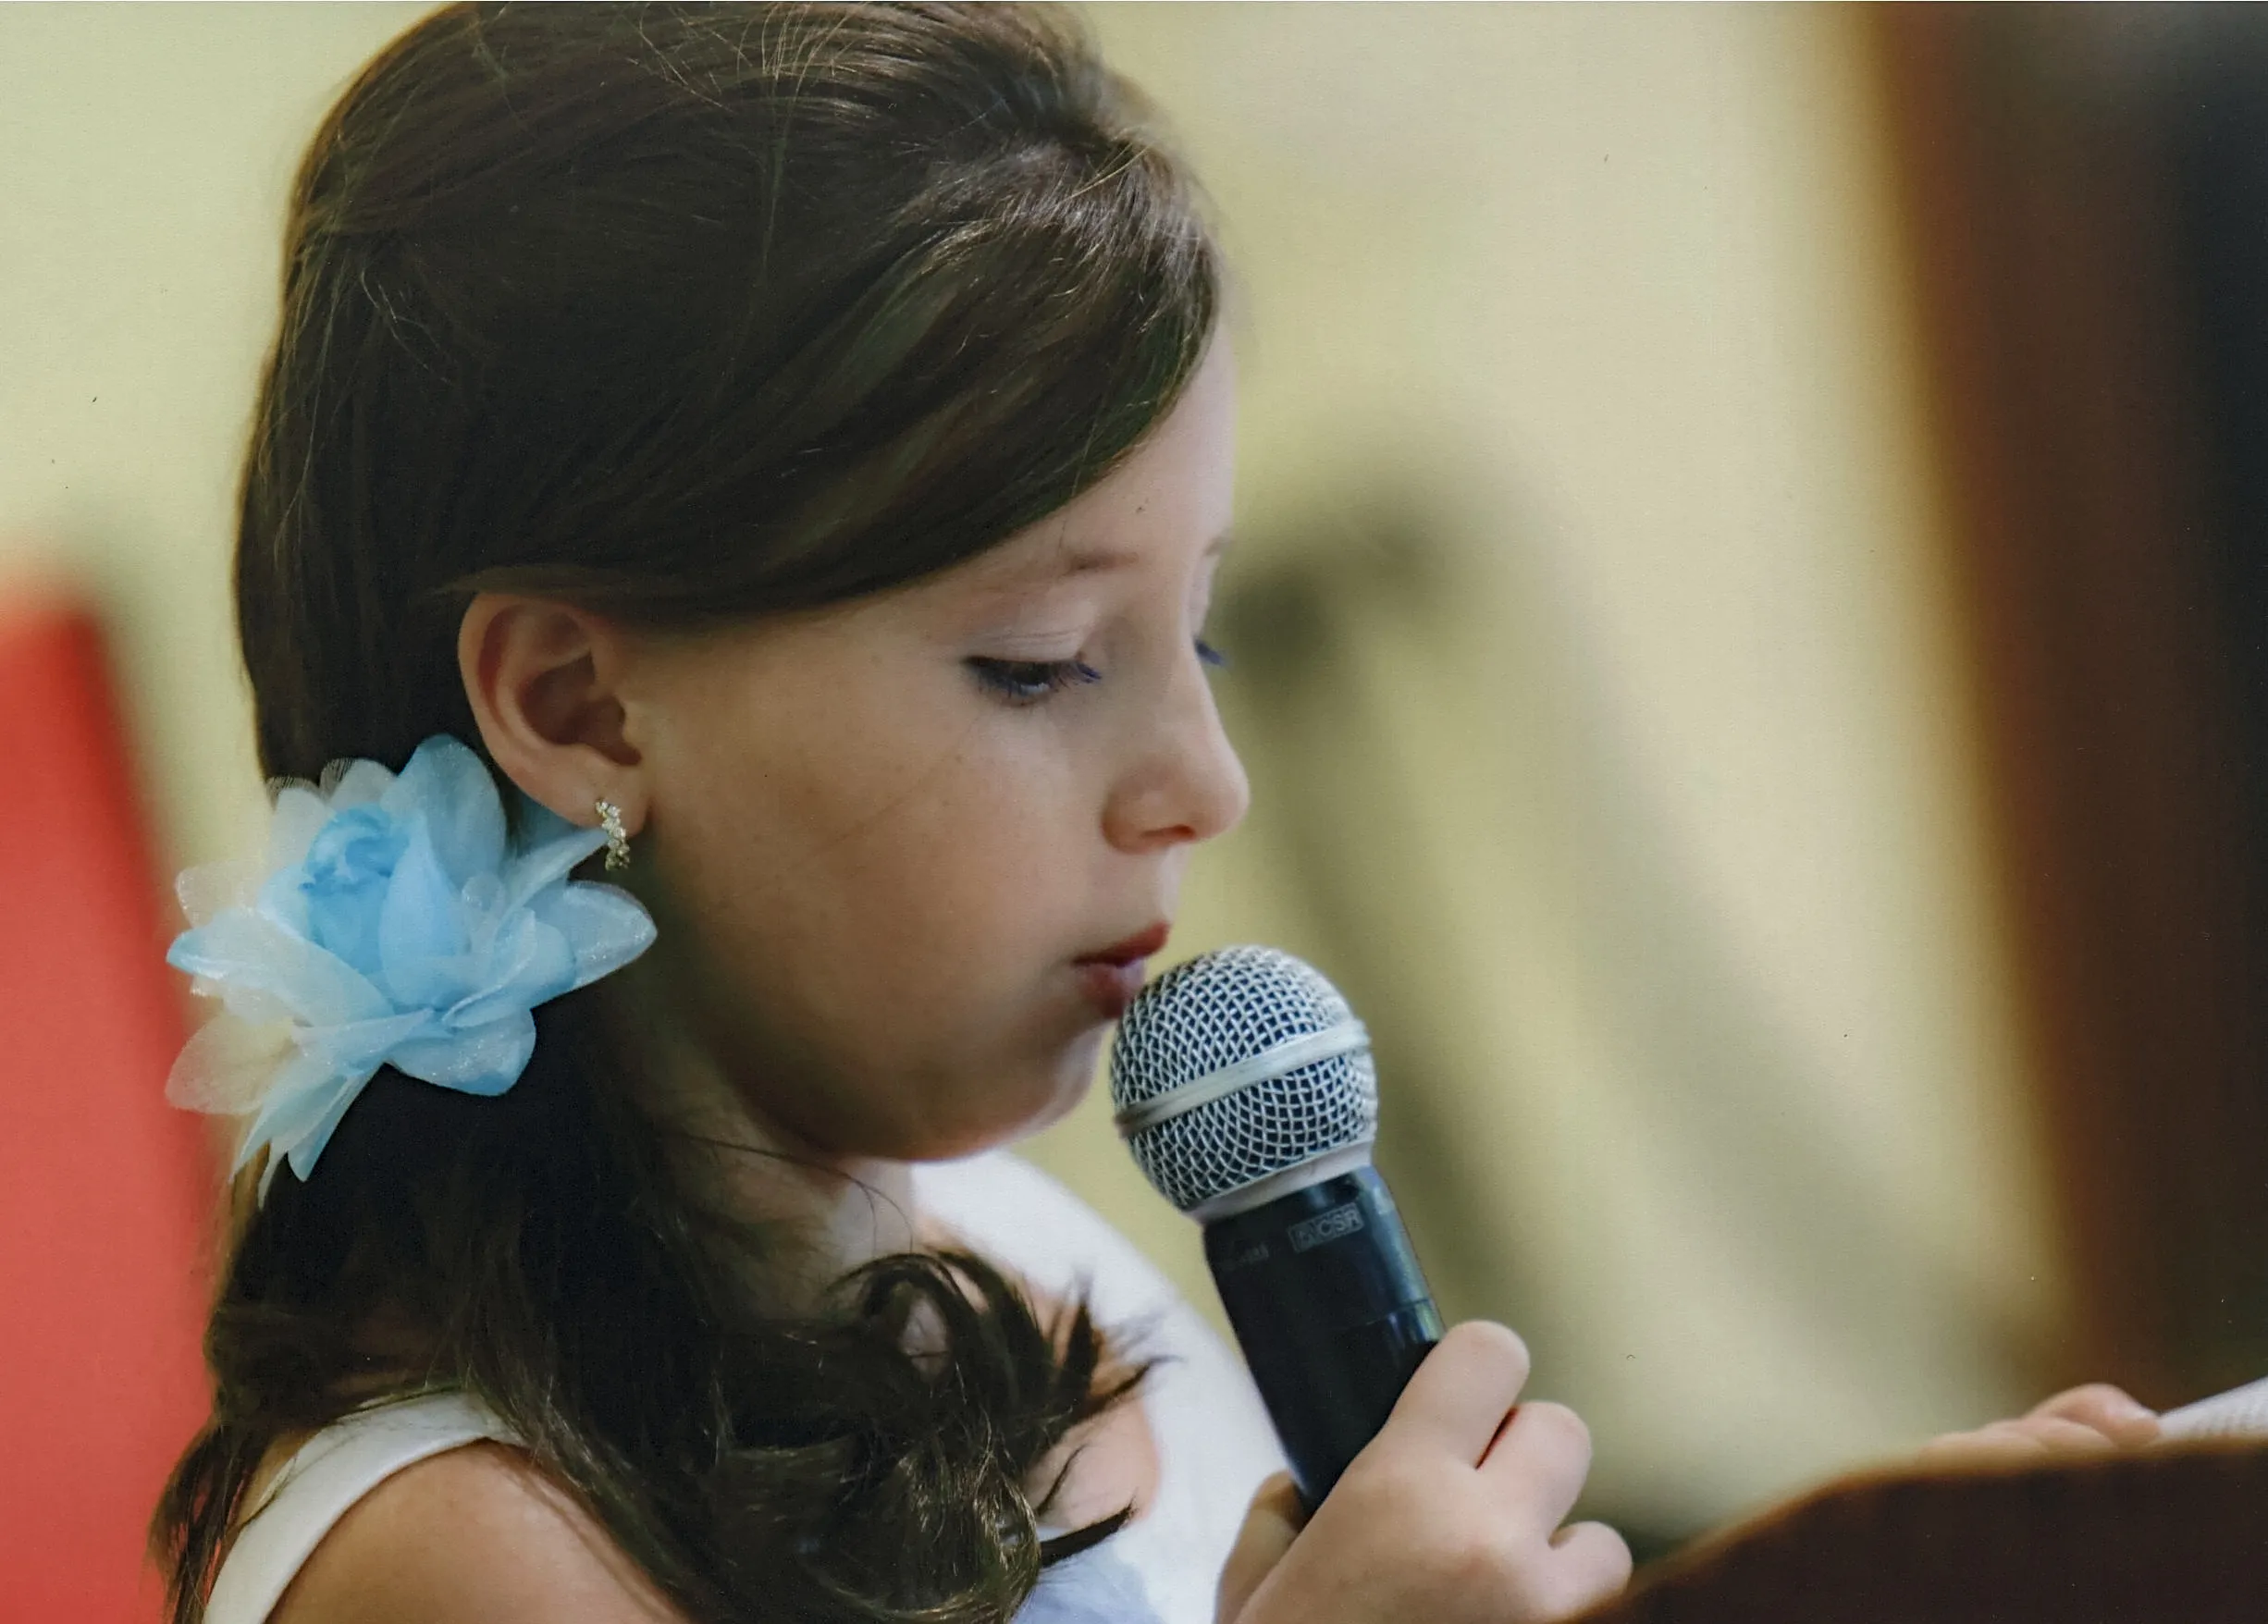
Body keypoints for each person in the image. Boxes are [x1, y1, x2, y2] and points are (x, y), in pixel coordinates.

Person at [151, 6, 1634, 1622]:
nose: (1207, 785)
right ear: (579, 707)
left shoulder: (1036, 1276)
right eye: (1040, 663)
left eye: (1195, 635)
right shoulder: (474, 1556)